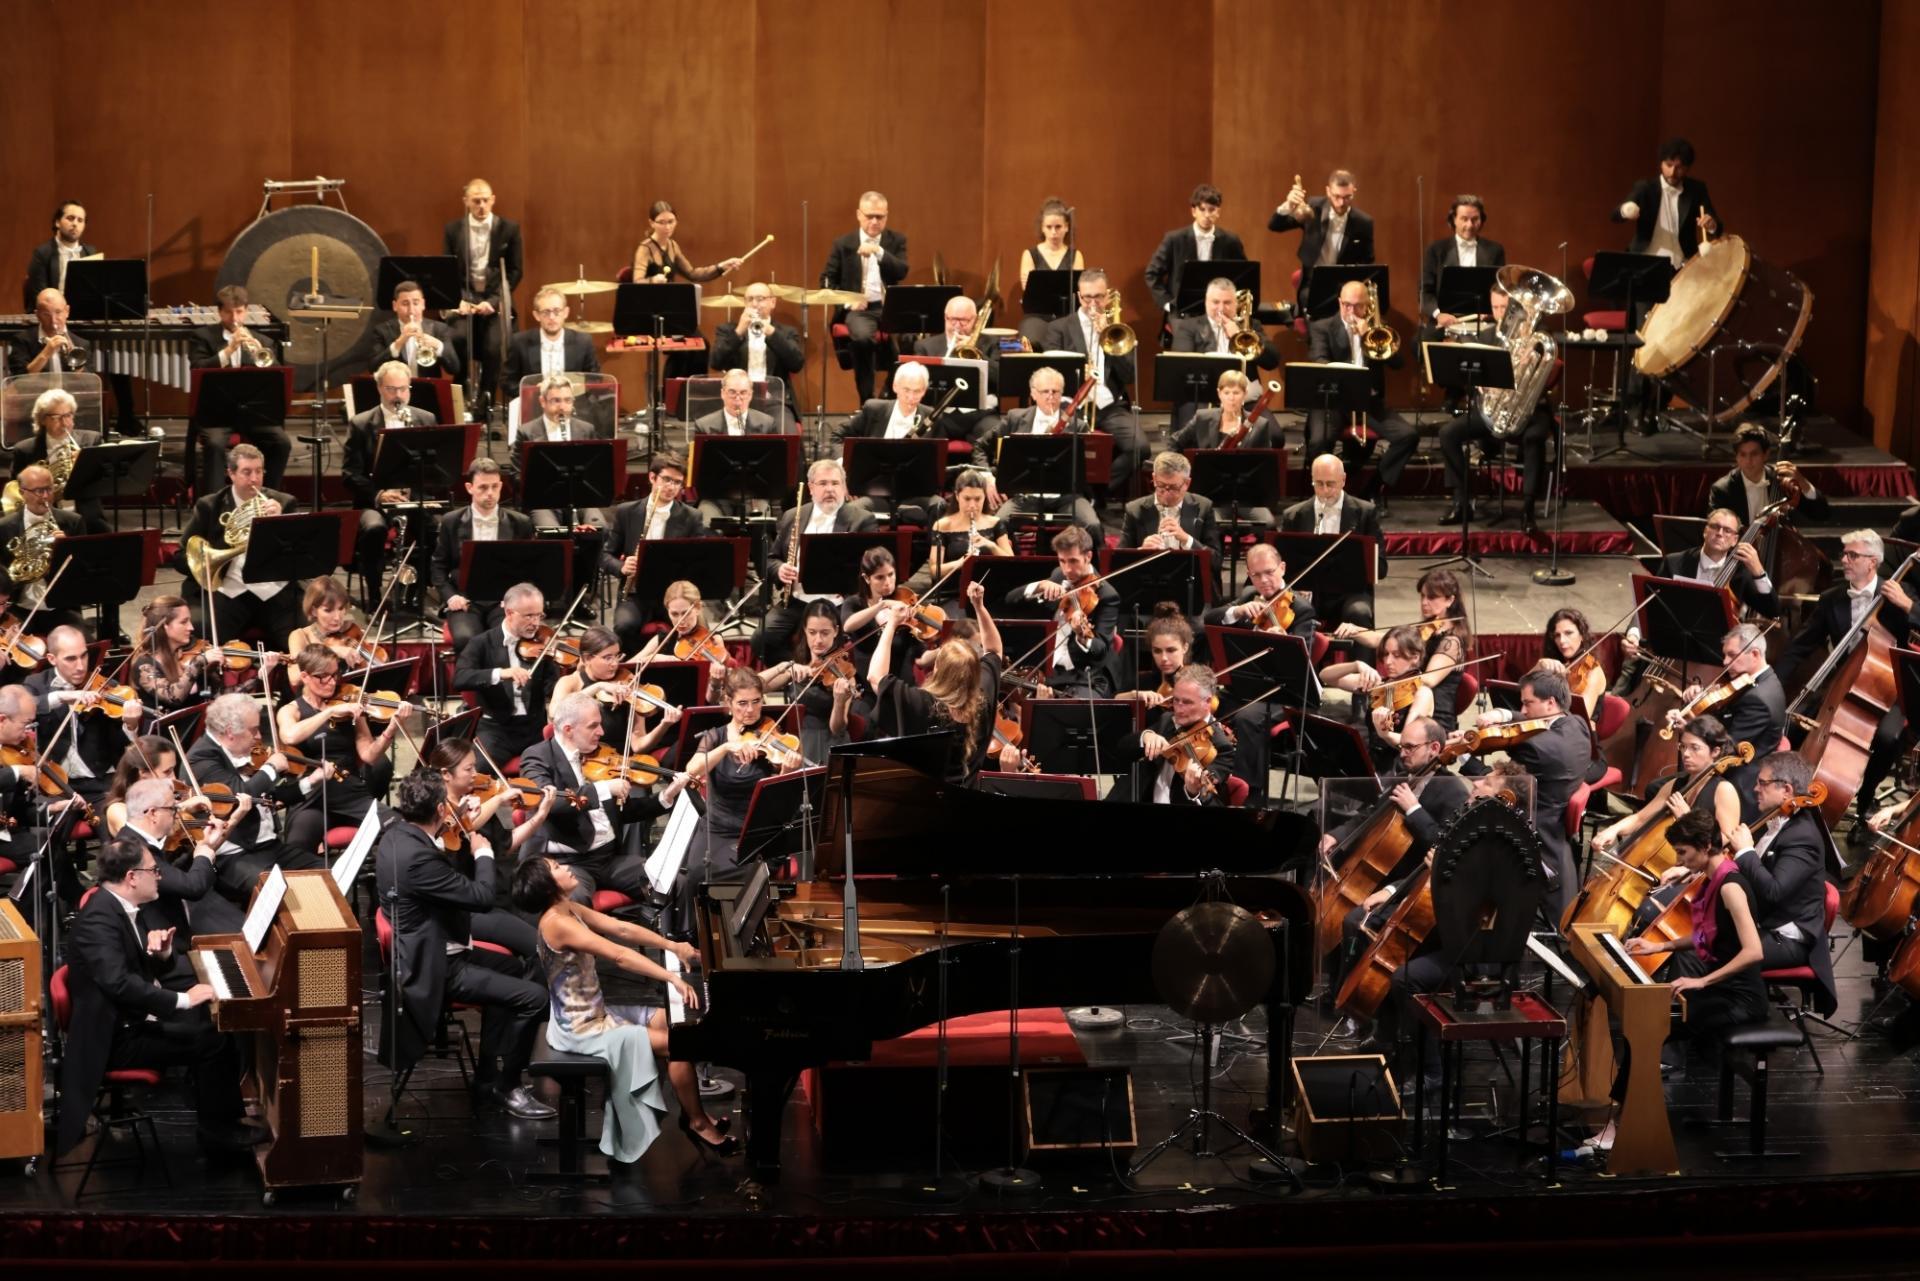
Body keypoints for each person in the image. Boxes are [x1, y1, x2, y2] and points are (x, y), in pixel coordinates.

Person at [53, 833, 264, 1158]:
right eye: (154, 870)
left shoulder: (118, 905)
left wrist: (161, 956)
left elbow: (127, 969)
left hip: (127, 1021)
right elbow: (118, 983)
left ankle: (216, 1109)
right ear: (131, 877)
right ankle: (218, 1130)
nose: (160, 876)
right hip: (113, 1040)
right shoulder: (99, 918)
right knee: (212, 1037)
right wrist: (181, 1000)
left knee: (211, 1022)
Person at [513, 854, 736, 1162]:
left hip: (595, 1013)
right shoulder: (558, 923)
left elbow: (622, 930)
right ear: (548, 886)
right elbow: (619, 955)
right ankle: (696, 1121)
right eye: (556, 868)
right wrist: (670, 976)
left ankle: (692, 1113)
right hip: (582, 1030)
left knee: (675, 1024)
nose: (565, 867)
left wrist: (672, 946)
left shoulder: (568, 908)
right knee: (682, 1044)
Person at [1580, 809, 1768, 1158]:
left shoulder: (1731, 886)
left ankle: (1619, 1126)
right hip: (1720, 989)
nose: (1679, 860)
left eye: (1684, 852)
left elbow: (1753, 951)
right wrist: (1659, 945)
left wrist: (1701, 981)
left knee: (1648, 1027)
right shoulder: (1712, 880)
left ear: (1707, 845)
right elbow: (1705, 933)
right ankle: (1626, 1120)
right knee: (1644, 1028)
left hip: (1739, 998)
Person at [378, 768, 553, 1120]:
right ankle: (508, 1085)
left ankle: (489, 1074)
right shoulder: (419, 859)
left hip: (438, 947)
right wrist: (483, 852)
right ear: (442, 809)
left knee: (518, 969)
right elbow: (483, 896)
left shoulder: (397, 836)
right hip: (436, 968)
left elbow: (437, 869)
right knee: (536, 998)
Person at [1317, 715, 1470, 1034]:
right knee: (1336, 911)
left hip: (1415, 885)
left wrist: (1415, 810)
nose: (1403, 754)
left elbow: (1446, 846)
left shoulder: (1452, 790)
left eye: (1410, 748)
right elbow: (1371, 814)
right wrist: (1338, 833)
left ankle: (1359, 1006)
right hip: (1385, 875)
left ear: (1435, 749)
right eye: (1401, 747)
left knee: (1352, 920)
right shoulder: (1407, 779)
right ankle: (1336, 994)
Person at [1776, 529, 1920, 830]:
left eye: (1852, 555)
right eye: (1844, 554)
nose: (1844, 560)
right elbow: (1801, 645)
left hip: (1890, 685)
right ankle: (1792, 794)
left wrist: (1907, 605)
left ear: (1874, 561)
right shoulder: (1832, 598)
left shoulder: (1901, 591)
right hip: (1843, 680)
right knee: (1795, 722)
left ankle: (1866, 799)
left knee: (1888, 738)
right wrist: (1773, 682)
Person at [522, 691, 687, 906]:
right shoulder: (537, 756)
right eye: (593, 726)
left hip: (608, 858)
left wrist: (666, 796)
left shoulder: (598, 755)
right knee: (574, 901)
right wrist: (605, 788)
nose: (601, 732)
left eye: (600, 724)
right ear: (568, 730)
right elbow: (550, 801)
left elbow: (625, 811)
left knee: (673, 880)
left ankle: (672, 937)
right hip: (568, 863)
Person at [1450, 669, 1591, 913]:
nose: (1523, 711)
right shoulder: (1576, 724)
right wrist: (1504, 714)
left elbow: (1497, 785)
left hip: (1534, 828)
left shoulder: (1531, 749)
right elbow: (1534, 723)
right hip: (1558, 825)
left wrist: (1463, 752)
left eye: (1527, 703)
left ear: (1550, 702)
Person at [680, 669, 803, 924]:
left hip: (758, 830)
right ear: (729, 703)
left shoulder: (772, 736)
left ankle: (745, 935)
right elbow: (692, 769)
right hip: (719, 828)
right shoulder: (714, 737)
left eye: (756, 702)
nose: (750, 710)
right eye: (743, 703)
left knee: (751, 874)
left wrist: (789, 767)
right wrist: (725, 748)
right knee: (694, 874)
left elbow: (783, 792)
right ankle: (702, 939)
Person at [1436, 285, 1555, 533]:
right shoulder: (1490, 336)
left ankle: (1528, 511)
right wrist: (1478, 385)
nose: (1500, 314)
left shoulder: (1539, 337)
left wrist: (1530, 361)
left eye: (1505, 308)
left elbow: (1544, 378)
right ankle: (1462, 501)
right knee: (1448, 433)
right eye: (1495, 307)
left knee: (1534, 439)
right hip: (1494, 409)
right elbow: (1473, 378)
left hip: (1531, 411)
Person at [277, 645, 410, 862]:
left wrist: (392, 727)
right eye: (324, 677)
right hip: (312, 794)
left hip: (349, 791)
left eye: (335, 675)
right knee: (296, 848)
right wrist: (328, 711)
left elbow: (368, 755)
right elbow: (290, 736)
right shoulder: (291, 710)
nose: (332, 682)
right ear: (305, 676)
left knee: (400, 829)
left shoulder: (350, 704)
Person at [1732, 752, 1838, 1014]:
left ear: (1786, 790)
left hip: (1788, 941)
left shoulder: (1802, 837)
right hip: (1767, 925)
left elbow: (1773, 892)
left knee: (1716, 951)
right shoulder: (1779, 823)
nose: (1755, 788)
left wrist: (1745, 852)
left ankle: (1741, 1021)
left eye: (1762, 783)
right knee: (1706, 940)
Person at [431, 738, 556, 958]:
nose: (475, 774)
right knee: (540, 946)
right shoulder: (438, 813)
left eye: (475, 767)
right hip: (469, 908)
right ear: (445, 774)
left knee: (550, 924)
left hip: (500, 892)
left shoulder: (475, 800)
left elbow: (506, 845)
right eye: (468, 769)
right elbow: (461, 828)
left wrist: (540, 816)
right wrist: (497, 800)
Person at [870, 582, 1002, 787]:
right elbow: (994, 650)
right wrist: (979, 606)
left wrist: (891, 624)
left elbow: (875, 677)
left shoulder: (922, 703)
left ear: (937, 671)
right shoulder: (980, 700)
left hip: (926, 809)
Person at [171, 444, 304, 648]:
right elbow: (180, 557)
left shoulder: (284, 503)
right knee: (205, 639)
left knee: (299, 641)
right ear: (231, 474)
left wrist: (280, 522)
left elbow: (298, 553)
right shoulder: (210, 506)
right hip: (228, 589)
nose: (254, 479)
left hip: (273, 591)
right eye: (246, 472)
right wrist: (207, 562)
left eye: (259, 471)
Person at [186, 693, 316, 899]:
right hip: (234, 855)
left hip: (268, 845)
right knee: (278, 894)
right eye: (254, 730)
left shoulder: (241, 753)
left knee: (323, 874)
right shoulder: (202, 758)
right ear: (230, 732)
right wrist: (271, 767)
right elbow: (239, 795)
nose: (258, 737)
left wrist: (311, 781)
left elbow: (266, 797)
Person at [1307, 280, 1417, 510]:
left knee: (1408, 435)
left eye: (1357, 306)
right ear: (1339, 303)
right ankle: (1321, 497)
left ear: (1368, 306)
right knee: (1319, 440)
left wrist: (1369, 336)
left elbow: (1398, 363)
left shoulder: (1378, 328)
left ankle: (1372, 489)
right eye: (1346, 305)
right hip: (1333, 402)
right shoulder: (1322, 327)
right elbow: (1319, 361)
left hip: (1368, 402)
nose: (1351, 311)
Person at [1656, 624, 1783, 820]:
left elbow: (1726, 747)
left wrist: (1690, 727)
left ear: (1755, 654)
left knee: (1656, 791)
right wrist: (1700, 697)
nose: (1725, 662)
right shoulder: (1756, 681)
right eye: (1725, 655)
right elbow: (1722, 716)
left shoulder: (1759, 698)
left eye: (1732, 655)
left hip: (1735, 779)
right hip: (1725, 766)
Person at [759, 459, 878, 663]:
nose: (830, 489)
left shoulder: (862, 519)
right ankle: (799, 671)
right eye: (823, 484)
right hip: (797, 601)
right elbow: (771, 560)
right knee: (761, 640)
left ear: (844, 487)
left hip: (838, 602)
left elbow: (871, 567)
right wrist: (780, 570)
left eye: (835, 483)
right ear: (811, 488)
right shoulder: (792, 516)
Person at [1040, 268, 1147, 490]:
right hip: (1072, 404)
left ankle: (1097, 490)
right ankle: (1074, 493)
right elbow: (1049, 373)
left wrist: (1106, 336)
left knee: (1140, 447)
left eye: (1098, 297)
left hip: (1110, 406)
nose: (1092, 303)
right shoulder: (1058, 328)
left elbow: (1129, 375)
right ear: (1079, 296)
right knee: (1058, 446)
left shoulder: (1118, 330)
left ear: (1107, 296)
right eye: (1087, 297)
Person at [344, 361, 439, 605]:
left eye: (403, 389)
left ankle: (415, 592)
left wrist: (414, 491)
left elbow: (435, 469)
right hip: (374, 502)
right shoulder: (361, 423)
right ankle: (375, 593)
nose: (398, 396)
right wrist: (380, 494)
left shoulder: (425, 419)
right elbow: (350, 474)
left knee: (433, 528)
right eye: (391, 389)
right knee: (374, 529)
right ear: (379, 388)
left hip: (413, 497)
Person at [976, 365, 1103, 548]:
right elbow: (980, 446)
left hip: (1067, 497)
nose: (1050, 397)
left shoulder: (1078, 426)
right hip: (1025, 496)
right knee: (997, 525)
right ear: (1033, 394)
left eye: (1055, 392)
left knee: (1093, 525)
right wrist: (988, 478)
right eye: (1045, 391)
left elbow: (1087, 471)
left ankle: (1094, 574)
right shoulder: (1015, 418)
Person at [26, 624, 146, 815]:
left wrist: (131, 725)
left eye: (84, 655)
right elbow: (24, 707)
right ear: (52, 659)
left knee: (116, 824)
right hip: (54, 784)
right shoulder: (35, 684)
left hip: (98, 783)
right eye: (71, 659)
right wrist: (61, 697)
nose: (81, 666)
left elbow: (120, 748)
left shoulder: (107, 687)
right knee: (49, 834)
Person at [1593, 714, 1742, 860]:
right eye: (1683, 747)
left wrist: (1687, 819)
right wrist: (1613, 829)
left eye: (1694, 748)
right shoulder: (1674, 785)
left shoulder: (1724, 791)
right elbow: (1640, 818)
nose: (1686, 754)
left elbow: (1725, 841)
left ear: (1715, 752)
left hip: (1699, 872)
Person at [185, 284, 290, 492]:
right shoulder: (202, 337)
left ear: (246, 311)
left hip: (253, 414)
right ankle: (213, 503)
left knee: (282, 442)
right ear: (220, 312)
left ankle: (268, 495)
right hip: (216, 414)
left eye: (239, 312)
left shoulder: (263, 340)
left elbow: (278, 376)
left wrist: (261, 354)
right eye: (229, 312)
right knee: (215, 445)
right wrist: (229, 350)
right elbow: (198, 368)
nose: (234, 318)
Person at [603, 451, 711, 651]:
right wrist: (622, 567)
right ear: (652, 477)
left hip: (674, 594)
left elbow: (699, 561)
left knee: (696, 630)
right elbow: (605, 556)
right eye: (666, 480)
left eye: (678, 482)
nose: (672, 487)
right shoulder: (627, 511)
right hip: (635, 592)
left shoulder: (691, 516)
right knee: (624, 626)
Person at [1002, 526, 1118, 698]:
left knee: (1074, 707)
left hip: (1083, 677)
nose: (1067, 570)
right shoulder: (1058, 575)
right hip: (1048, 672)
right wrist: (1040, 585)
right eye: (1062, 561)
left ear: (1088, 556)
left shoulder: (1107, 595)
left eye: (1073, 561)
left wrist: (1081, 634)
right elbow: (1010, 600)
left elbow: (1101, 650)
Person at [433, 458, 535, 653]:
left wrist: (517, 598)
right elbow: (438, 566)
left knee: (505, 639)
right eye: (483, 488)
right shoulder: (451, 521)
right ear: (469, 487)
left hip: (503, 601)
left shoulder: (520, 523)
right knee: (466, 639)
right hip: (464, 600)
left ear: (501, 486)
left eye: (494, 487)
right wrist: (451, 596)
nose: (490, 494)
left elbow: (528, 568)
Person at [455, 581, 563, 762]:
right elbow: (460, 677)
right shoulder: (482, 642)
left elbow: (550, 688)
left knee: (558, 772)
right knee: (478, 771)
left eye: (539, 615)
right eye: (529, 616)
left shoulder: (544, 644)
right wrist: (500, 673)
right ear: (509, 613)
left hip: (534, 728)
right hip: (495, 729)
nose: (536, 623)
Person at [1279, 453, 1386, 629]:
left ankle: (1362, 658)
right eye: (1319, 484)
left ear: (1343, 480)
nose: (1325, 490)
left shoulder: (1365, 512)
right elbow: (1284, 565)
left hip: (1350, 592)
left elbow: (1380, 568)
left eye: (1331, 484)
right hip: (1307, 591)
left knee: (1359, 612)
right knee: (1288, 612)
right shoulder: (1293, 515)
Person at [820, 191, 909, 402]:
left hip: (888, 306)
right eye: (870, 216)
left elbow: (901, 271)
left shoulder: (895, 240)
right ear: (859, 215)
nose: (875, 221)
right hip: (860, 310)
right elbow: (826, 280)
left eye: (880, 216)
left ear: (887, 216)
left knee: (913, 342)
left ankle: (889, 394)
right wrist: (848, 302)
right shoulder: (843, 244)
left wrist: (879, 251)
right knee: (861, 339)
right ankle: (867, 399)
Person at [547, 625, 683, 761]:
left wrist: (664, 725)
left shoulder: (627, 682)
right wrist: (598, 687)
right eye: (607, 658)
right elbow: (555, 714)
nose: (615, 664)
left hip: (621, 764)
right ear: (587, 658)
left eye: (616, 656)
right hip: (584, 763)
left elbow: (638, 746)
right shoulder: (569, 683)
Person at [443, 178, 524, 405]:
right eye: (476, 201)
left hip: (495, 298)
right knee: (457, 339)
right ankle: (459, 396)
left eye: (485, 200)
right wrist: (458, 300)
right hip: (464, 297)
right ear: (466, 201)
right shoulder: (452, 229)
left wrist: (495, 301)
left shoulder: (509, 229)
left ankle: (484, 404)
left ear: (493, 200)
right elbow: (447, 270)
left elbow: (516, 272)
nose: (481, 206)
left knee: (494, 347)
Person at [834, 360, 946, 524]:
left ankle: (934, 550)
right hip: (875, 493)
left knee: (939, 505)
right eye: (906, 390)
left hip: (915, 494)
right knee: (853, 509)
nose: (911, 397)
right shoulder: (873, 409)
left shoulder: (933, 418)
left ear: (924, 391)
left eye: (917, 391)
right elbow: (836, 436)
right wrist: (844, 467)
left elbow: (937, 466)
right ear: (895, 387)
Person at [1108, 664, 1235, 806]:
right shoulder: (1167, 720)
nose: (1178, 709)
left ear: (1208, 702)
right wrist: (1145, 736)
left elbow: (1211, 802)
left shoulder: (1221, 748)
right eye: (1175, 700)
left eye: (1187, 702)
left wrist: (1193, 792)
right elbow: (1121, 750)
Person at [1167, 276, 1277, 433]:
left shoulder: (1251, 326)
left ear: (1236, 304)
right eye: (1215, 302)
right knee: (1190, 435)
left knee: (1275, 436)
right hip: (1201, 397)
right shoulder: (1188, 327)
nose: (1221, 308)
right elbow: (1181, 367)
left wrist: (1239, 334)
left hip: (1244, 399)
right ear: (1206, 302)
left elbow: (1272, 361)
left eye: (1227, 303)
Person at [758, 602, 860, 768]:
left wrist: (840, 701)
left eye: (825, 633)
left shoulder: (844, 673)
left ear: (836, 631)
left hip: (828, 743)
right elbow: (753, 687)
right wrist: (782, 668)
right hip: (794, 741)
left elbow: (837, 728)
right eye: (812, 632)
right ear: (804, 630)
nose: (818, 640)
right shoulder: (796, 666)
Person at [1322, 626, 1434, 768]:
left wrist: (1386, 735)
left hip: (1400, 768)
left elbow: (1408, 741)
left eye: (1396, 655)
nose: (1387, 661)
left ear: (1415, 657)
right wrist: (1356, 665)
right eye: (1386, 654)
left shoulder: (1422, 693)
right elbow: (1326, 676)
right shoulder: (1381, 685)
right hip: (1372, 761)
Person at [1269, 170, 1375, 309]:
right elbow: (1275, 226)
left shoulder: (1363, 222)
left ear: (1354, 191)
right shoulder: (1312, 208)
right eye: (1337, 196)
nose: (1341, 203)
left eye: (1347, 197)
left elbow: (1367, 260)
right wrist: (1288, 205)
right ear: (1328, 191)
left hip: (1344, 289)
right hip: (1312, 286)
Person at [910, 294, 1002, 448]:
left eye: (964, 321)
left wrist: (976, 352)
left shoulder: (991, 343)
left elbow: (1001, 378)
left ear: (975, 320)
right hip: (941, 414)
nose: (957, 325)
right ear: (945, 317)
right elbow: (917, 380)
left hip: (981, 413)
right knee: (922, 439)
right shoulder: (925, 346)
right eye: (953, 319)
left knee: (995, 436)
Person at [1612, 137, 1720, 267]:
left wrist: (1712, 225)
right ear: (1661, 163)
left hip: (1683, 265)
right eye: (1668, 165)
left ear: (1687, 168)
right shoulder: (1645, 187)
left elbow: (1717, 227)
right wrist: (1626, 209)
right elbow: (1615, 216)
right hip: (1647, 263)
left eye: (1679, 168)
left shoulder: (1696, 190)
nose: (1672, 172)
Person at [10, 387, 106, 531]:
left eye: (68, 415)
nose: (65, 422)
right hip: (44, 522)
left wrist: (85, 463)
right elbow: (16, 490)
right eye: (57, 417)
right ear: (42, 419)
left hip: (88, 520)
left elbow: (103, 482)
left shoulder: (92, 440)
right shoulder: (24, 450)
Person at [708, 282, 805, 425]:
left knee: (787, 435)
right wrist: (739, 331)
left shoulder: (787, 332)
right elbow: (716, 362)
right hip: (737, 400)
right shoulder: (728, 331)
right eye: (750, 299)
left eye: (760, 299)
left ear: (772, 302)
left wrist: (771, 332)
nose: (754, 304)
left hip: (774, 400)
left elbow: (796, 364)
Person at [1656, 507, 1782, 617]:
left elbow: (1772, 611)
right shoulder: (1674, 563)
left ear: (1735, 540)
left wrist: (1758, 571)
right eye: (1715, 527)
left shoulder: (1741, 572)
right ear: (1705, 531)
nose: (1720, 533)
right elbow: (1655, 605)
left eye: (1727, 530)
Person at [1144, 185, 1247, 319]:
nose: (1207, 215)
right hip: (1182, 313)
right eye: (1202, 209)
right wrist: (1167, 303)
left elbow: (1243, 276)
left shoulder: (1230, 241)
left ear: (1218, 212)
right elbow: (1152, 274)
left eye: (1212, 210)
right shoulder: (1174, 239)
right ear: (1194, 211)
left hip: (1219, 313)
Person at [1708, 422, 1830, 526]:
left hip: (1779, 549)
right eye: (1743, 454)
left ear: (1766, 454)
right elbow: (1718, 531)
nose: (1748, 461)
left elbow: (1821, 514)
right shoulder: (1723, 490)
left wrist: (1803, 483)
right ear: (1736, 457)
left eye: (1754, 454)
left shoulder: (1781, 481)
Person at [1418, 195, 1507, 337]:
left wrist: (1491, 311)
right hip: (1445, 319)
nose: (1470, 225)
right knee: (1422, 340)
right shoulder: (1436, 250)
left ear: (1481, 220)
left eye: (1475, 219)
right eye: (1464, 219)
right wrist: (1439, 314)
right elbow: (1425, 292)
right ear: (1454, 219)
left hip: (1484, 320)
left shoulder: (1495, 250)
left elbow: (1501, 289)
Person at [838, 546, 923, 693]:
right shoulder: (854, 603)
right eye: (880, 577)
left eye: (891, 574)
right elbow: (848, 625)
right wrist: (882, 604)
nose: (888, 582)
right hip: (868, 689)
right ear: (866, 578)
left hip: (902, 687)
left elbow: (921, 657)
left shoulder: (904, 603)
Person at [635, 580, 731, 705]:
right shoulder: (663, 639)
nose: (680, 621)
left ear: (697, 608)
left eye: (686, 613)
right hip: (663, 707)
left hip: (696, 708)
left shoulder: (713, 640)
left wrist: (716, 682)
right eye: (674, 614)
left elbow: (712, 700)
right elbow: (629, 667)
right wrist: (653, 658)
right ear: (667, 611)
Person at [1121, 452, 1221, 568]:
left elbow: (1216, 561)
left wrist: (1186, 539)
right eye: (1161, 485)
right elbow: (1118, 560)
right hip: (1149, 579)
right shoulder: (1134, 509)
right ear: (1154, 478)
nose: (1167, 494)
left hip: (1190, 578)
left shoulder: (1204, 507)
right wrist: (1140, 552)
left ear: (1187, 483)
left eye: (1174, 487)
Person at [500, 286, 603, 393]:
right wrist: (533, 391)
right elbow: (507, 382)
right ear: (536, 315)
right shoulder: (519, 342)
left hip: (573, 404)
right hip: (534, 405)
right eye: (546, 312)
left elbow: (595, 379)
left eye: (557, 311)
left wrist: (576, 388)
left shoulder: (583, 341)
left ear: (566, 312)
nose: (552, 317)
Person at [128, 594, 216, 714]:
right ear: (165, 626)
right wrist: (199, 661)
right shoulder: (144, 665)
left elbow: (213, 695)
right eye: (184, 622)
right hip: (163, 730)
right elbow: (173, 697)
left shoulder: (184, 655)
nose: (191, 627)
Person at [923, 468, 1012, 588]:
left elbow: (1011, 562)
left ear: (984, 497)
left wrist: (991, 546)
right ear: (957, 496)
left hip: (989, 589)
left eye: (977, 499)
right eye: (967, 499)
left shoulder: (995, 523)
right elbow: (934, 571)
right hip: (954, 591)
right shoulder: (943, 525)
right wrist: (961, 562)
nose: (972, 505)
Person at [1017, 197, 1085, 347]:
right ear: (1042, 227)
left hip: (1067, 315)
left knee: (1076, 342)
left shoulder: (1076, 255)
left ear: (1067, 227)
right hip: (1036, 316)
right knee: (1031, 341)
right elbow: (1028, 290)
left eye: (1058, 227)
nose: (1054, 232)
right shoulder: (1030, 254)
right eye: (1049, 227)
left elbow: (1079, 289)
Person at [286, 577, 379, 680]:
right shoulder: (300, 636)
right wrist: (332, 651)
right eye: (328, 610)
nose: (337, 617)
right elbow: (295, 678)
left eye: (340, 608)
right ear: (313, 611)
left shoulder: (351, 629)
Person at [368, 278, 463, 379]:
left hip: (427, 389)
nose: (411, 310)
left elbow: (454, 368)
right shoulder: (381, 330)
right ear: (395, 306)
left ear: (423, 304)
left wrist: (438, 346)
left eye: (416, 303)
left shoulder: (439, 328)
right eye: (405, 304)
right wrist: (398, 344)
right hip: (396, 391)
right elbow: (373, 368)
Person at [632, 199, 743, 284]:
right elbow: (637, 282)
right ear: (652, 223)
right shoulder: (645, 248)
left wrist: (722, 266)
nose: (667, 227)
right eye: (661, 222)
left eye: (671, 221)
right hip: (646, 305)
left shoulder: (673, 245)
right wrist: (652, 280)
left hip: (667, 302)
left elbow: (692, 274)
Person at [1171, 366, 1277, 452]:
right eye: (1226, 393)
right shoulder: (1202, 417)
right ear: (1219, 394)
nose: (1231, 398)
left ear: (1245, 394)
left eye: (1236, 393)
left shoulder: (1260, 425)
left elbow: (1266, 461)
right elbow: (1174, 441)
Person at [7, 287, 91, 378]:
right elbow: (19, 380)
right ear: (37, 315)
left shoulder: (82, 344)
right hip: (37, 392)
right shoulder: (22, 341)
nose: (53, 321)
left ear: (67, 311)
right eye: (46, 314)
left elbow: (89, 384)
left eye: (58, 312)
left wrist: (77, 362)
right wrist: (46, 353)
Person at [24, 201, 95, 308]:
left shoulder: (90, 253)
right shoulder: (42, 254)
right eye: (70, 218)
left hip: (82, 314)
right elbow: (39, 297)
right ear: (57, 222)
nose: (75, 224)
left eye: (80, 220)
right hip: (52, 315)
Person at [1542, 607, 1607, 718]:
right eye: (1557, 635)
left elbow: (1580, 719)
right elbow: (1526, 691)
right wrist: (1539, 666)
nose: (1562, 641)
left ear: (1582, 635)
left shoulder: (1593, 672)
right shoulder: (1562, 665)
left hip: (1577, 732)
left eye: (1568, 633)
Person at [691, 368, 779, 437]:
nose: (737, 398)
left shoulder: (768, 424)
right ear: (723, 393)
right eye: (732, 392)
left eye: (743, 392)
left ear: (750, 395)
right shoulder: (703, 426)